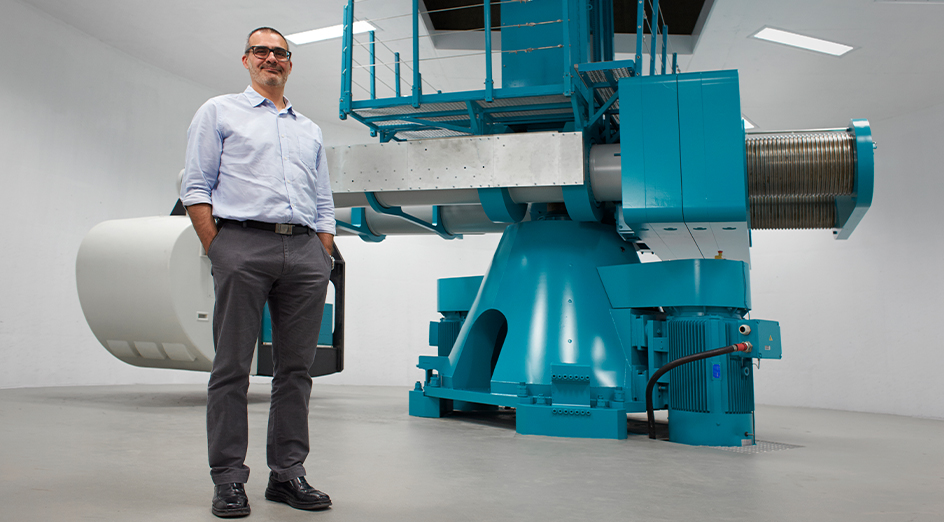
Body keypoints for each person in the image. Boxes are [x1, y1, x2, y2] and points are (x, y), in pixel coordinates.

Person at [179, 26, 336, 518]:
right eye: (261, 50)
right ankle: (228, 480)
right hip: (242, 245)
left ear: (290, 63)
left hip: (305, 251)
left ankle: (288, 474)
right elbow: (197, 184)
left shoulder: (309, 128)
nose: (272, 58)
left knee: (296, 371)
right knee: (231, 368)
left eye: (280, 52)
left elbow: (324, 200)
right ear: (246, 60)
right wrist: (218, 247)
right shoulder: (218, 111)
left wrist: (323, 250)